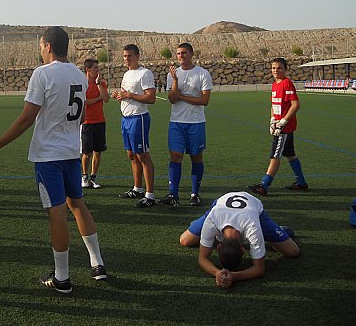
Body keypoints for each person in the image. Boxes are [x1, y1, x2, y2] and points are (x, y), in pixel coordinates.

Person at [0, 26, 107, 294]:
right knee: (78, 205)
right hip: (71, 152)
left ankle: (62, 278)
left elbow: (27, 118)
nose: (40, 49)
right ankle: (97, 264)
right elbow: (81, 117)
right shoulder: (79, 76)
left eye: (40, 45)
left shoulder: (43, 74)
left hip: (49, 156)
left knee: (57, 213)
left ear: (47, 45)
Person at [179, 191, 299, 288]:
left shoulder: (253, 228)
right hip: (219, 208)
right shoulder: (212, 221)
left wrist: (233, 276)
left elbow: (260, 269)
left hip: (253, 210)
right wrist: (217, 273)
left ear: (218, 246)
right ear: (242, 249)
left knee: (292, 251)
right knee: (185, 240)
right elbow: (202, 258)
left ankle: (279, 230)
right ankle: (199, 228)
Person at [158, 43, 212, 207]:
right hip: (176, 123)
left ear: (191, 54)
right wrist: (174, 81)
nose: (181, 56)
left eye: (184, 53)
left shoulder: (203, 73)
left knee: (196, 157)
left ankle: (195, 194)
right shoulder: (173, 74)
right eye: (178, 53)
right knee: (175, 157)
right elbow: (173, 99)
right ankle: (173, 195)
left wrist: (182, 96)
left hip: (196, 123)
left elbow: (204, 101)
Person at [248, 58, 308, 195]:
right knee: (291, 155)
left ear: (286, 69)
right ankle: (301, 183)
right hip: (278, 126)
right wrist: (272, 120)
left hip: (284, 129)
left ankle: (264, 185)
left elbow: (295, 105)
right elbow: (274, 106)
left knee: (275, 155)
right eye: (274, 68)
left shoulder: (287, 84)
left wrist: (283, 122)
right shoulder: (275, 85)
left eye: (279, 68)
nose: (276, 70)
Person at [111, 44, 157, 208]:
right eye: (124, 56)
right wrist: (120, 96)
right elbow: (127, 95)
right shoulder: (127, 74)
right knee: (131, 155)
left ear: (137, 56)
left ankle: (150, 195)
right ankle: (137, 188)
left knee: (143, 156)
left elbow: (151, 98)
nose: (126, 59)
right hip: (126, 118)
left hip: (139, 118)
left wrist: (129, 95)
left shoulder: (144, 73)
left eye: (129, 56)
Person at [81, 58, 109, 189]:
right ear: (88, 70)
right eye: (96, 68)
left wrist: (99, 85)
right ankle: (84, 177)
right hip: (87, 122)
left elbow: (107, 99)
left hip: (100, 121)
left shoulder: (101, 83)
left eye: (98, 68)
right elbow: (85, 102)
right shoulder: (82, 84)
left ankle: (93, 178)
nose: (98, 70)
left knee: (98, 152)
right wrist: (99, 98)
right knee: (87, 153)